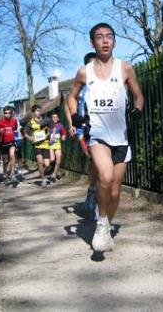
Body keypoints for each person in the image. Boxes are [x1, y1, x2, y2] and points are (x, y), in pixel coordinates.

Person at [67, 22, 144, 253]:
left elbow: (139, 96)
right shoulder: (84, 72)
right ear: (93, 43)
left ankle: (106, 226)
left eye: (109, 36)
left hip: (121, 136)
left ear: (114, 41)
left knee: (116, 191)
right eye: (100, 37)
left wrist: (137, 109)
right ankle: (101, 223)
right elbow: (71, 97)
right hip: (98, 135)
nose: (105, 40)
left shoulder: (125, 68)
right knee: (106, 177)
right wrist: (74, 115)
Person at [65, 51, 98, 218]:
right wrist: (71, 122)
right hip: (84, 129)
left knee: (103, 163)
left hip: (102, 128)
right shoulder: (79, 84)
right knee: (95, 161)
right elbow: (67, 104)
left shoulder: (106, 82)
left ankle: (95, 192)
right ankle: (93, 191)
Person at [24, 104, 51, 187]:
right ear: (33, 112)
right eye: (37, 111)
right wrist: (31, 138)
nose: (39, 112)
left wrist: (48, 134)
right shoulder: (31, 123)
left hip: (45, 144)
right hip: (37, 145)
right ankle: (43, 179)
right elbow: (25, 133)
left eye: (40, 111)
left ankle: (41, 171)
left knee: (47, 164)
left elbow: (50, 129)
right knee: (40, 162)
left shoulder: (45, 120)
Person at [0, 106, 19, 183]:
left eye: (9, 113)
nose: (7, 115)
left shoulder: (14, 121)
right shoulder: (0, 122)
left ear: (11, 113)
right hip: (3, 144)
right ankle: (5, 173)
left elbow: (15, 128)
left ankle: (12, 173)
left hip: (12, 142)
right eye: (5, 113)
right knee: (5, 161)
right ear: (3, 113)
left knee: (12, 155)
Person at [48, 112, 67, 182]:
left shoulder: (60, 126)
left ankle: (54, 174)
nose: (55, 118)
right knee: (52, 159)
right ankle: (48, 167)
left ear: (58, 118)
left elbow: (64, 133)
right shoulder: (48, 126)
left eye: (56, 117)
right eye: (53, 117)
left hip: (57, 145)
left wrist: (63, 136)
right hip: (50, 145)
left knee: (58, 159)